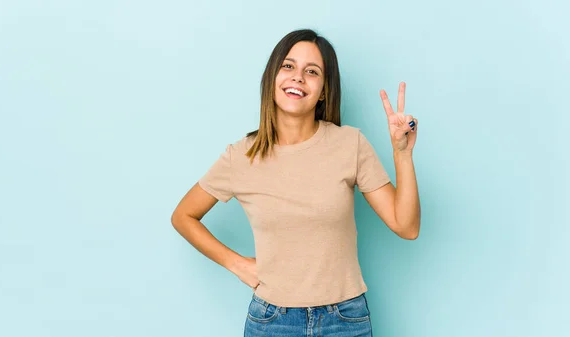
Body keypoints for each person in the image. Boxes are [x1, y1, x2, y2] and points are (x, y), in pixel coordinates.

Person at [171, 28, 420, 337]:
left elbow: (406, 227)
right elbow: (183, 216)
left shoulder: (349, 143)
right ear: (272, 77)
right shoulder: (241, 156)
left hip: (345, 320)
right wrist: (237, 264)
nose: (298, 77)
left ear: (324, 90)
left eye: (312, 71)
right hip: (271, 321)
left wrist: (403, 154)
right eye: (288, 66)